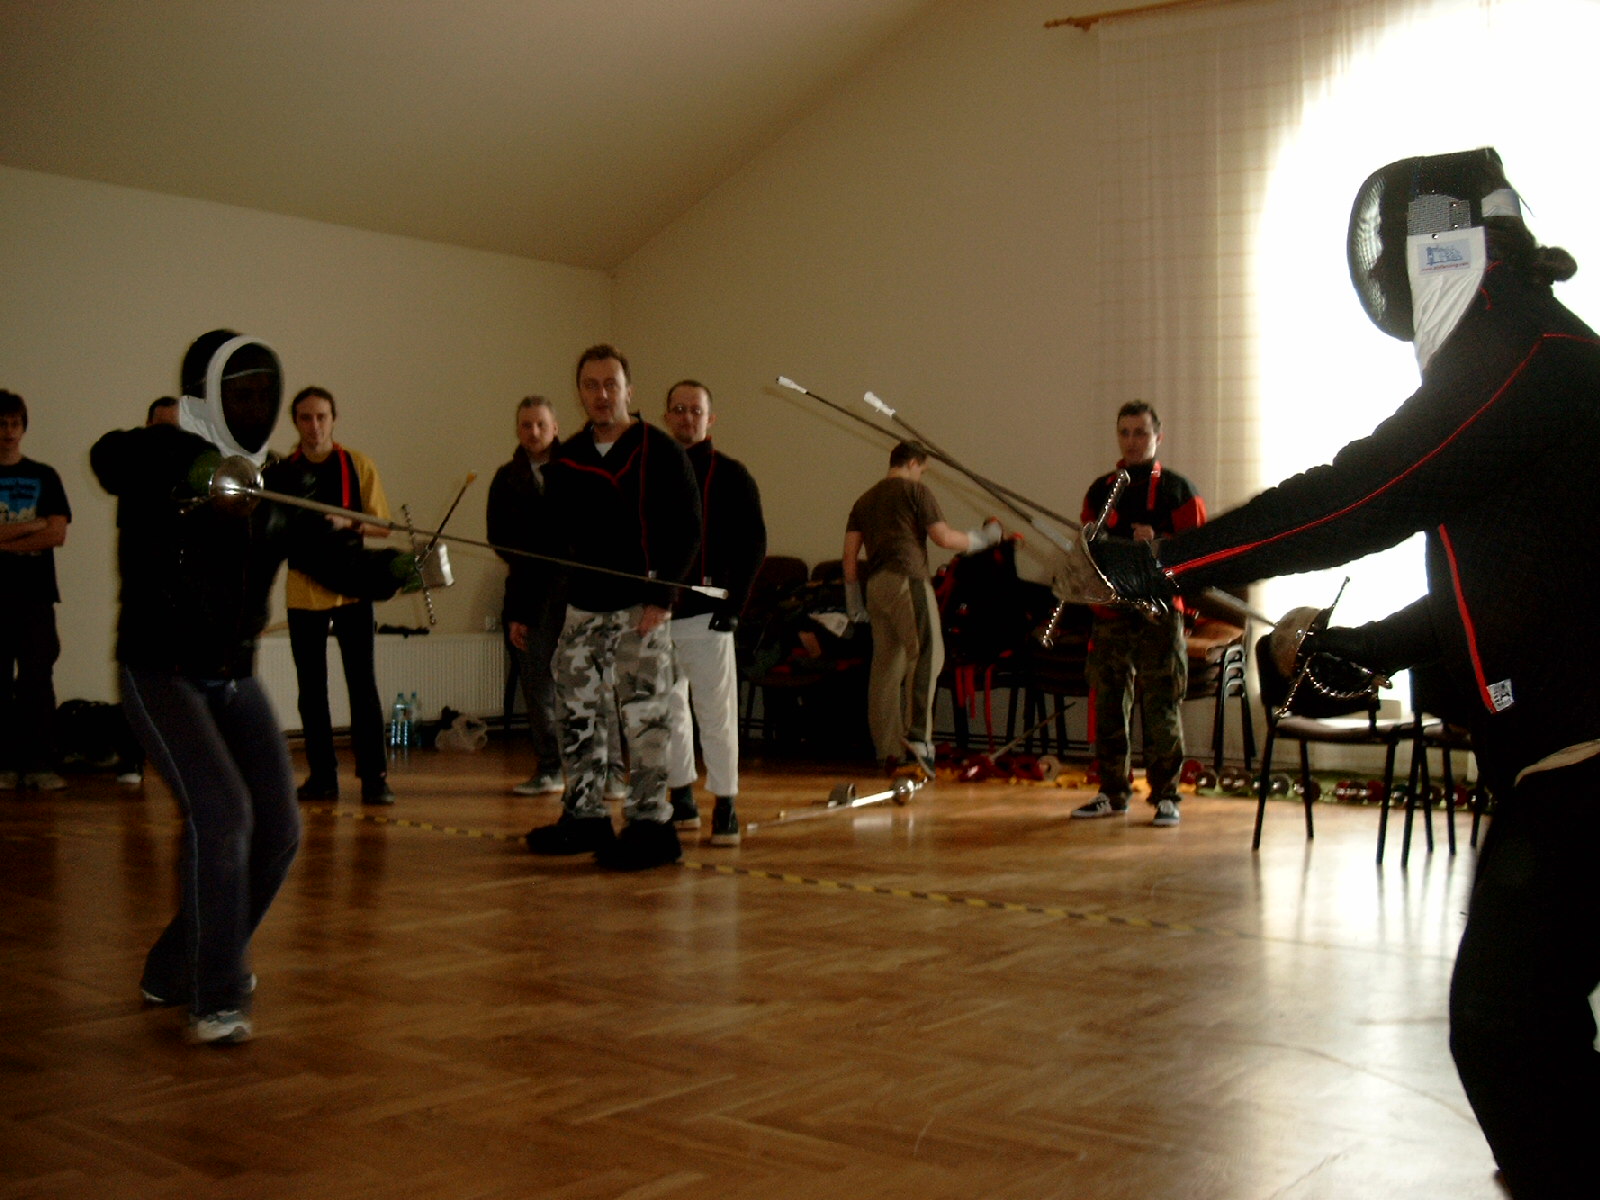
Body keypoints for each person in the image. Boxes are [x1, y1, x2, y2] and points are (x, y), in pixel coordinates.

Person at [1078, 148, 1597, 1199]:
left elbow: (1360, 493)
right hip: (1567, 757)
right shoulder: (1536, 352)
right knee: (1529, 1022)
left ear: (1436, 251)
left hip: (1585, 762)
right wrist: (1372, 647)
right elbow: (1523, 581)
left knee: (1504, 1023)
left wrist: (1170, 561)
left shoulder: (1521, 355)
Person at [91, 329, 419, 1043]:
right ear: (207, 394)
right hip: (159, 671)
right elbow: (109, 457)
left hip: (232, 677)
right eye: (240, 394)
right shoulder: (160, 454)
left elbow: (332, 559)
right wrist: (197, 466)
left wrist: (398, 571)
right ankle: (216, 993)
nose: (255, 406)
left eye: (263, 394)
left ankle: (174, 966)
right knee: (222, 814)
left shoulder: (272, 484)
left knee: (279, 827)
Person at [523, 344, 701, 871]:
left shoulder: (659, 450)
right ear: (579, 393)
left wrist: (662, 599)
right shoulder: (567, 456)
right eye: (590, 385)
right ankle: (584, 817)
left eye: (610, 384)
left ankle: (650, 826)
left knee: (645, 723)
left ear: (628, 390)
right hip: (581, 609)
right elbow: (552, 536)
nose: (601, 394)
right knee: (577, 717)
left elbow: (687, 529)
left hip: (640, 609)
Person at [1071, 402, 1205, 827]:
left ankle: (1166, 796)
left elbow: (1199, 553)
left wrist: (1160, 540)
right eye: (1125, 432)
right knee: (1110, 703)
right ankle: (1112, 792)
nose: (1132, 441)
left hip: (1159, 615)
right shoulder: (1100, 491)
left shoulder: (1179, 491)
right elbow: (1086, 550)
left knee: (1161, 706)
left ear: (1157, 437)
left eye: (1141, 433)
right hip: (1112, 613)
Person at [488, 396, 626, 799]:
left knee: (597, 683)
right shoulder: (506, 479)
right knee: (538, 686)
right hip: (529, 593)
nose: (533, 432)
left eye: (540, 424)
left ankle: (610, 771)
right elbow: (500, 539)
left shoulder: (578, 467)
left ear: (555, 427)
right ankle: (550, 767)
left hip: (582, 591)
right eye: (526, 425)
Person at [843, 441, 1000, 775]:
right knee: (929, 653)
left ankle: (887, 750)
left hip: (876, 587)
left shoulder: (864, 500)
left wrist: (853, 602)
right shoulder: (915, 491)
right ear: (914, 463)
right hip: (907, 579)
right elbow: (943, 538)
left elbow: (849, 559)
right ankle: (917, 738)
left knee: (886, 667)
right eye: (923, 470)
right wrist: (984, 538)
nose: (922, 475)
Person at [274, 386, 395, 806]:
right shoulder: (283, 472)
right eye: (305, 418)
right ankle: (322, 777)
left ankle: (375, 778)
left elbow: (383, 527)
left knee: (363, 685)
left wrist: (347, 523)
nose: (314, 426)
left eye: (321, 417)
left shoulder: (358, 465)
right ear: (295, 422)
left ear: (334, 419)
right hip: (303, 592)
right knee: (311, 690)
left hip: (352, 590)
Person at [660, 379, 767, 846]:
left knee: (716, 715)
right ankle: (681, 796)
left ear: (710, 418)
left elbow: (754, 544)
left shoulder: (733, 475)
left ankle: (725, 804)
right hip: (658, 614)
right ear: (667, 416)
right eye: (679, 409)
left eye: (696, 410)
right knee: (668, 711)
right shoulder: (653, 473)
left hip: (709, 616)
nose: (687, 417)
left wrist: (735, 606)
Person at [0, 390, 71, 793]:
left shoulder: (45, 476)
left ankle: (39, 764)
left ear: (23, 427)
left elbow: (57, 533)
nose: (8, 431)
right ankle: (5, 765)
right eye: (1, 423)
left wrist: (5, 541)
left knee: (37, 680)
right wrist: (32, 525)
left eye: (14, 423)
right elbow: (44, 528)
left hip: (35, 597)